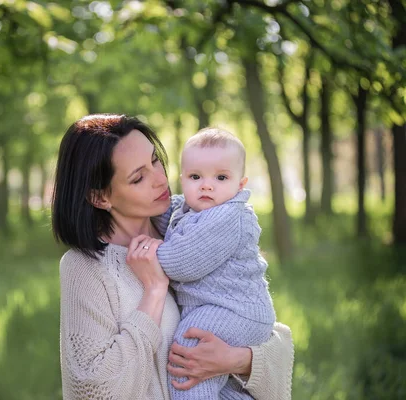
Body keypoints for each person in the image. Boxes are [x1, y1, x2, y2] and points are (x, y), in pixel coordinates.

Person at [52, 114, 294, 400]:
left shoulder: (190, 222)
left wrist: (237, 360)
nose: (159, 179)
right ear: (100, 197)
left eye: (155, 160)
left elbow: (269, 331)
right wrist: (153, 293)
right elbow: (91, 389)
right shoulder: (85, 268)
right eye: (138, 177)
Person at [132, 127, 275, 399]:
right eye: (195, 176)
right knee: (221, 386)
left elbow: (182, 263)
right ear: (183, 178)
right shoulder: (189, 208)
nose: (206, 185)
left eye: (221, 177)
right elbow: (165, 215)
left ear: (240, 185)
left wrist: (154, 251)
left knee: (189, 348)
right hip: (219, 308)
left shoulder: (228, 216)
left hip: (236, 310)